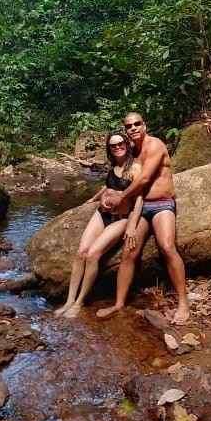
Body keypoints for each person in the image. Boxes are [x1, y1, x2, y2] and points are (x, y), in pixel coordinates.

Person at [96, 112, 190, 325]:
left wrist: (122, 197)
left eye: (137, 124)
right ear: (126, 131)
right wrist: (102, 197)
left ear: (145, 125)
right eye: (129, 126)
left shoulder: (155, 145)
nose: (133, 128)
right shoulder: (132, 153)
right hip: (141, 206)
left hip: (162, 204)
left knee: (167, 246)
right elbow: (117, 178)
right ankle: (119, 303)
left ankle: (183, 303)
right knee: (129, 251)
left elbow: (145, 178)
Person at [55, 131, 143, 319]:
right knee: (81, 253)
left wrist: (132, 226)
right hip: (101, 214)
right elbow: (107, 186)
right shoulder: (113, 168)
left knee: (93, 254)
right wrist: (93, 199)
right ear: (109, 149)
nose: (118, 147)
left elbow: (139, 200)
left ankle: (80, 302)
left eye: (121, 144)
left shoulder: (135, 168)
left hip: (121, 218)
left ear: (127, 145)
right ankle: (69, 300)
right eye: (113, 146)